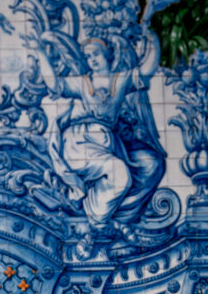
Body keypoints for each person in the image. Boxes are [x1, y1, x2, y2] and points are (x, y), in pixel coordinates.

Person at [29, 29, 165, 234]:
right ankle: (97, 222)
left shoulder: (121, 79)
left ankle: (115, 213)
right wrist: (40, 52)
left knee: (151, 164)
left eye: (96, 54)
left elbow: (147, 69)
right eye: (88, 57)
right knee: (119, 174)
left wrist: (151, 35)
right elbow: (55, 84)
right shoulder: (83, 82)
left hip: (107, 145)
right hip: (79, 143)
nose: (91, 60)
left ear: (108, 54)